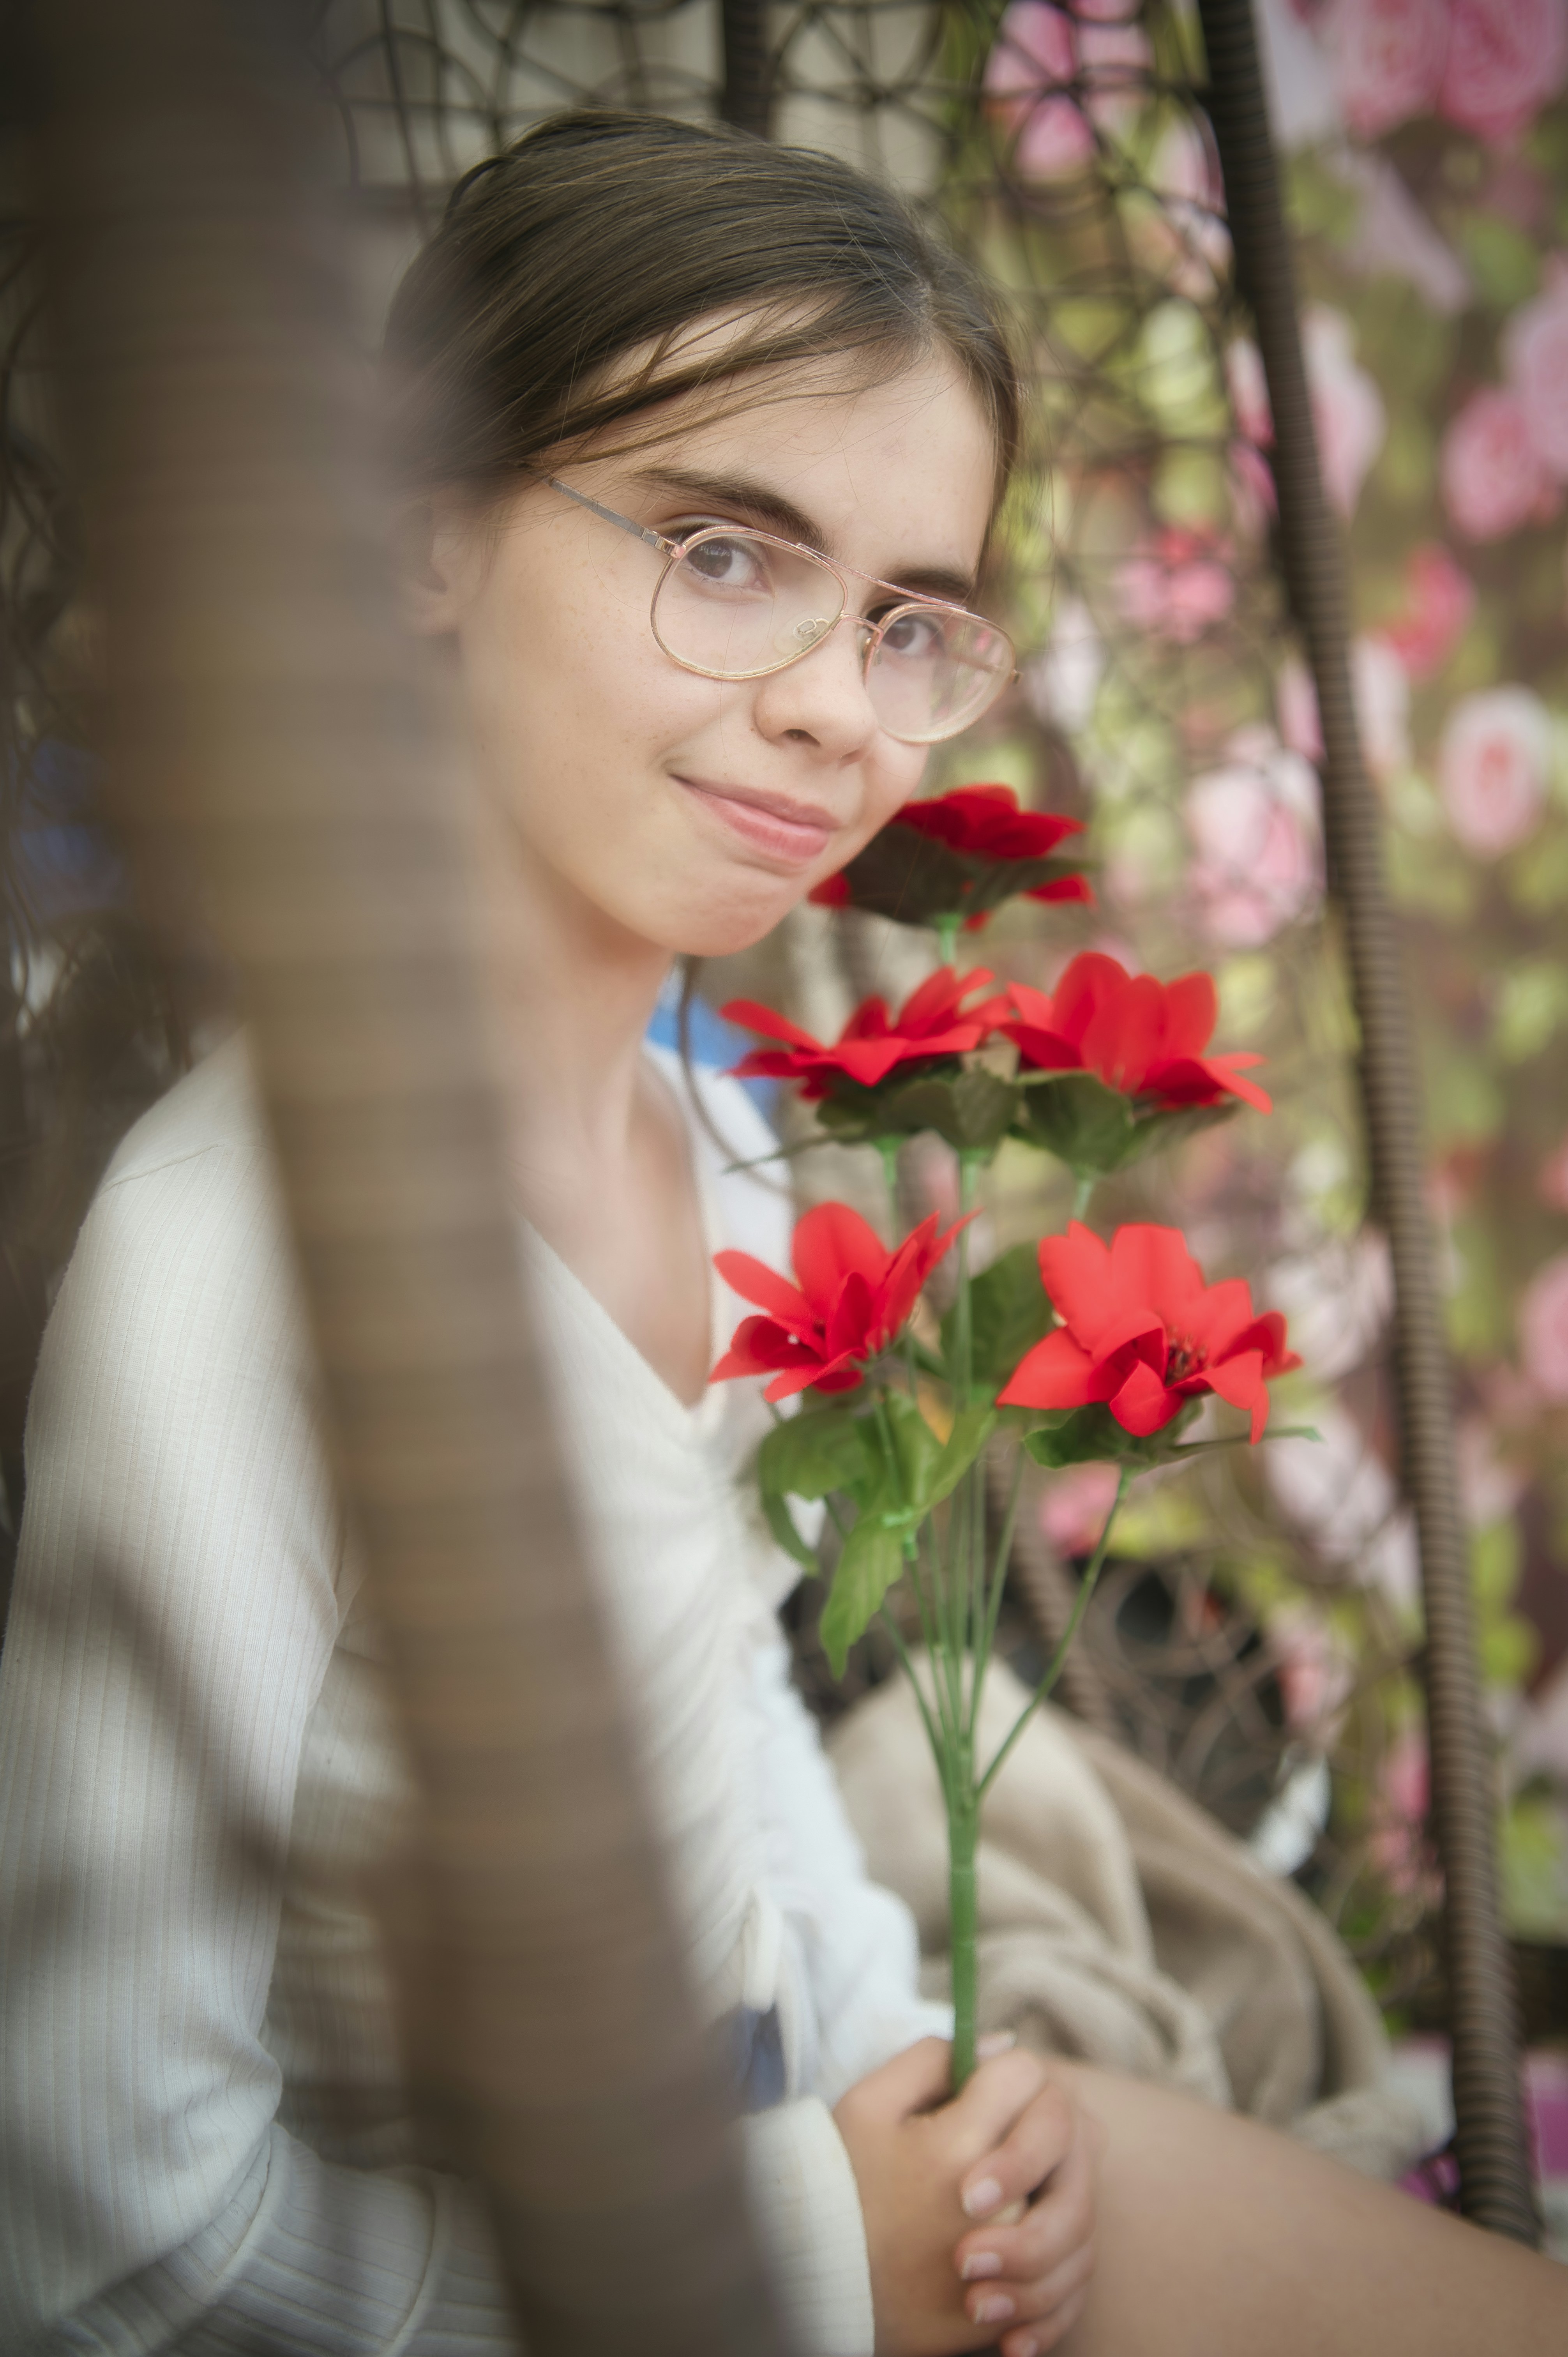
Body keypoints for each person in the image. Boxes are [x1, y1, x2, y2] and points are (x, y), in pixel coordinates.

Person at [0, 107, 1562, 2357]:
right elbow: (100, 2240)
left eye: (910, 619)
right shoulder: (234, 1273)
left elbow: (711, 1713)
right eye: (727, 553)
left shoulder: (722, 1164)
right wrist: (806, 2264)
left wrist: (904, 2097)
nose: (838, 707)